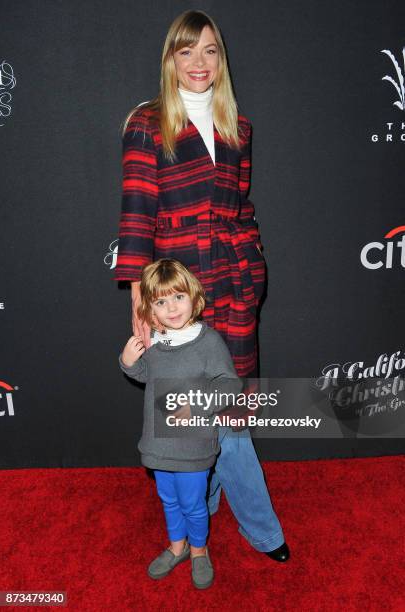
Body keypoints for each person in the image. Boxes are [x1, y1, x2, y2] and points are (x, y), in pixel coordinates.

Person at [115, 9, 290, 562]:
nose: (199, 62)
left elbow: (243, 204)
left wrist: (253, 257)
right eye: (186, 51)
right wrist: (141, 305)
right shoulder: (146, 123)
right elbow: (137, 217)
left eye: (210, 50)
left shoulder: (239, 126)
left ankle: (211, 503)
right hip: (179, 294)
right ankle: (264, 529)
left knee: (229, 407)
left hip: (235, 280)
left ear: (222, 59)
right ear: (170, 59)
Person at [118, 258, 243, 589]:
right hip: (158, 444)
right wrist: (129, 363)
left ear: (194, 297)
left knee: (192, 503)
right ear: (150, 309)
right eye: (161, 301)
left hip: (193, 444)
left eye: (178, 297)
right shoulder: (156, 342)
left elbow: (230, 383)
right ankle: (178, 547)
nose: (171, 308)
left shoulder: (208, 341)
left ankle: (199, 551)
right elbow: (148, 377)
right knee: (169, 500)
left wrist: (198, 406)